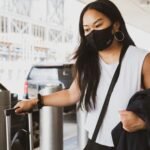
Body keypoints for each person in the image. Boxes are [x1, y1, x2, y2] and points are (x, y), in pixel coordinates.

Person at [15, 0, 150, 149]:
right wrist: (35, 102)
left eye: (98, 25)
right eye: (86, 29)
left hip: (127, 144)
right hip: (95, 143)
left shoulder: (141, 60)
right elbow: (71, 94)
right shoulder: (87, 62)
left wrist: (143, 122)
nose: (92, 33)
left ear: (116, 25)